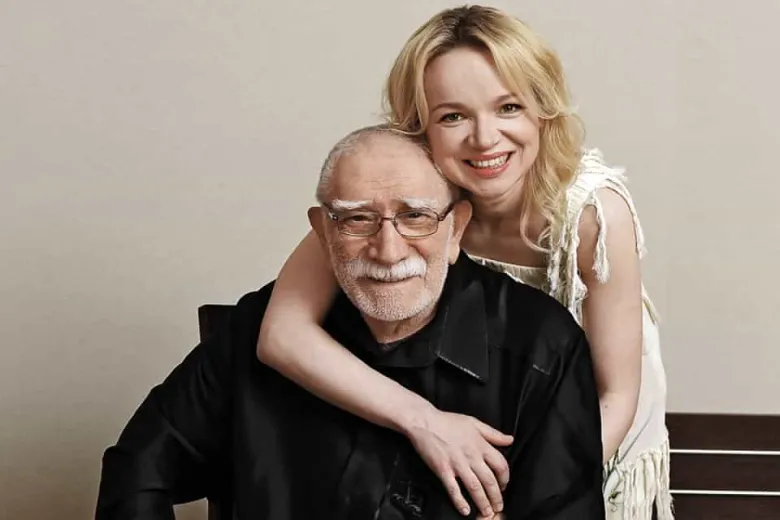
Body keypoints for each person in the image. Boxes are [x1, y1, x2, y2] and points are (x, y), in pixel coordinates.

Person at [256, 5, 672, 520]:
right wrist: (422, 420)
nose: (484, 138)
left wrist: (525, 502)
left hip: (592, 443)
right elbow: (282, 335)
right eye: (453, 116)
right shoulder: (405, 198)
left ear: (542, 111)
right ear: (418, 126)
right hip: (475, 428)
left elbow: (617, 396)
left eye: (509, 107)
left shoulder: (591, 216)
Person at [95, 126, 605, 520]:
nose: (388, 250)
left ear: (456, 230)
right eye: (358, 219)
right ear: (322, 231)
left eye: (416, 217)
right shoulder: (254, 330)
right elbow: (138, 468)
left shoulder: (541, 347)